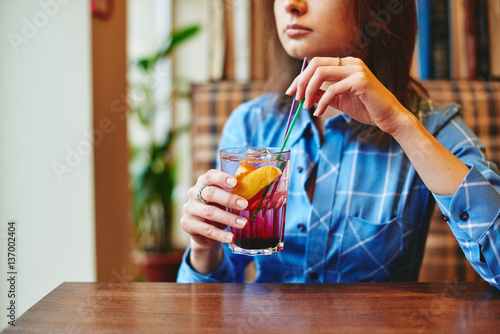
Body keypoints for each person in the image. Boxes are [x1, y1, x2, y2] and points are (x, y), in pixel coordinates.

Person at [177, 0, 500, 287]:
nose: (292, 5)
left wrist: (400, 125)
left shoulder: (428, 126)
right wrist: (204, 248)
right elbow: (210, 300)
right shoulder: (251, 124)